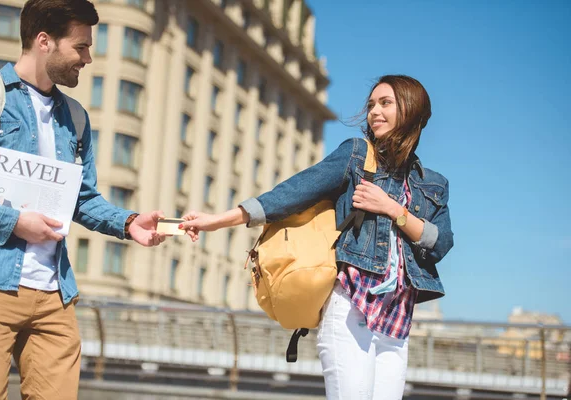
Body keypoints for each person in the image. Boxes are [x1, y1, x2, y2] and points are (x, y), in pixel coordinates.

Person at [181, 75, 454, 399]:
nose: (374, 112)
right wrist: (216, 220)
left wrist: (392, 208)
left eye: (385, 103)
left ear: (411, 111)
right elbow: (289, 195)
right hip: (352, 309)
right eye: (371, 105)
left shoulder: (432, 184)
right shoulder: (356, 155)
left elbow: (441, 243)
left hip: (396, 320)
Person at [0, 1, 166, 399]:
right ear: (45, 41)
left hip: (54, 294)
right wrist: (14, 222)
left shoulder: (75, 117)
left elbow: (82, 199)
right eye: (80, 47)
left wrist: (129, 224)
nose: (88, 58)